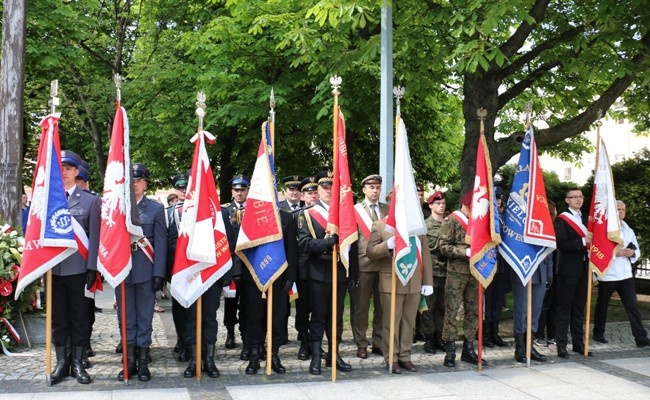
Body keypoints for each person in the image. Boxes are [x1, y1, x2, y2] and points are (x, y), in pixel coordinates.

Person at [297, 170, 359, 375]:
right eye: (324, 187)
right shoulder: (308, 213)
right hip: (318, 271)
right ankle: (316, 356)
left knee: (337, 317)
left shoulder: (345, 214)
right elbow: (304, 243)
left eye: (331, 187)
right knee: (319, 316)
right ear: (318, 189)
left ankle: (334, 354)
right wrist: (324, 243)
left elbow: (353, 246)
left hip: (340, 271)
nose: (327, 191)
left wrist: (354, 273)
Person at [49, 150, 101, 385]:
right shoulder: (47, 199)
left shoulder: (90, 201)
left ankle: (78, 363)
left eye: (68, 168)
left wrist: (92, 268)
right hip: (54, 270)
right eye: (60, 168)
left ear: (77, 172)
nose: (64, 172)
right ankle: (61, 363)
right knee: (58, 319)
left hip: (80, 270)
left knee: (80, 318)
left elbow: (96, 238)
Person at [115, 163, 167, 381]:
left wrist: (159, 274)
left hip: (145, 270)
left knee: (145, 318)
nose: (135, 185)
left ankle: (144, 362)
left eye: (139, 180)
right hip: (122, 270)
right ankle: (129, 362)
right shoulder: (118, 208)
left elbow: (161, 243)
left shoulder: (155, 209)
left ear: (145, 183)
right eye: (132, 181)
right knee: (126, 319)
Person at [366, 214, 433, 373]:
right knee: (391, 322)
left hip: (414, 281)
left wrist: (427, 281)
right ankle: (391, 358)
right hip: (392, 281)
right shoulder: (381, 225)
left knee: (408, 322)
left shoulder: (416, 225)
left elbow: (425, 253)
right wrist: (387, 245)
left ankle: (405, 356)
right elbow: (370, 252)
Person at [240, 208, 298, 374]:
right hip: (254, 276)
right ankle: (253, 354)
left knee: (278, 317)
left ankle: (273, 353)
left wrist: (290, 276)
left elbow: (292, 248)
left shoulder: (286, 217)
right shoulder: (250, 214)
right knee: (253, 316)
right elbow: (243, 247)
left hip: (279, 276)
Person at [593, 200, 650, 347]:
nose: (621, 212)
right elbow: (598, 250)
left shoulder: (628, 229)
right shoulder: (605, 229)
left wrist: (632, 253)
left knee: (632, 306)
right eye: (618, 209)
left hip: (625, 275)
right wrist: (615, 254)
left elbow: (637, 250)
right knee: (602, 305)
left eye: (623, 209)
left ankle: (641, 337)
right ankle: (598, 332)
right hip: (608, 273)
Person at [439, 191, 486, 367]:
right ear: (464, 205)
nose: (473, 211)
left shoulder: (479, 221)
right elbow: (443, 247)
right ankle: (450, 351)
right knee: (451, 311)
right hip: (456, 273)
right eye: (470, 207)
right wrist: (464, 252)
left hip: (475, 271)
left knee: (473, 311)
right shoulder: (451, 220)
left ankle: (469, 348)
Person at [510, 200, 554, 363]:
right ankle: (520, 348)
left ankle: (530, 346)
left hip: (540, 272)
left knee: (535, 311)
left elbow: (549, 249)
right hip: (524, 271)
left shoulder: (542, 222)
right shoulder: (517, 222)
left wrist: (549, 272)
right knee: (521, 311)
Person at [351, 174, 387, 359]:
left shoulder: (387, 210)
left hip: (384, 265)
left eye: (377, 187)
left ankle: (379, 342)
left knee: (382, 307)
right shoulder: (354, 210)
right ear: (364, 189)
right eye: (371, 187)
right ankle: (361, 343)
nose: (375, 191)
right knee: (361, 306)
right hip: (363, 264)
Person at [554, 188, 591, 358]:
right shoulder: (562, 219)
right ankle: (561, 345)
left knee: (579, 309)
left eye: (580, 197)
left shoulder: (587, 219)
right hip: (568, 270)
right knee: (564, 309)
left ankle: (578, 343)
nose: (578, 199)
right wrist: (583, 241)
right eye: (574, 197)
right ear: (567, 200)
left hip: (585, 269)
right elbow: (562, 245)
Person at [222, 175, 250, 357]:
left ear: (247, 191)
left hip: (249, 266)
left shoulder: (255, 210)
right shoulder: (224, 211)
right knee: (230, 303)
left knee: (248, 304)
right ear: (232, 191)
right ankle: (230, 333)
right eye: (236, 190)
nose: (239, 193)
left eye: (242, 190)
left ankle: (247, 335)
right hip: (231, 266)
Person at [166, 172, 191, 362]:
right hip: (175, 269)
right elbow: (164, 244)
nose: (183, 190)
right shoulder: (168, 213)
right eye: (180, 188)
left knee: (193, 308)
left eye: (186, 187)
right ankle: (182, 341)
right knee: (178, 309)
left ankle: (193, 341)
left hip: (195, 269)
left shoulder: (198, 211)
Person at [294, 176, 319, 360]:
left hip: (320, 267)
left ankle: (316, 343)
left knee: (319, 308)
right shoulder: (297, 216)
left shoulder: (326, 215)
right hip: (302, 268)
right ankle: (304, 342)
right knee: (302, 310)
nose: (313, 196)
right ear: (302, 196)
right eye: (309, 194)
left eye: (315, 193)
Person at [421, 191, 448, 354]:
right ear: (430, 205)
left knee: (442, 306)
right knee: (428, 307)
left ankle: (440, 337)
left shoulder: (449, 223)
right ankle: (429, 338)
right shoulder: (424, 225)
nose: (441, 206)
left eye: (443, 203)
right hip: (430, 270)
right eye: (438, 204)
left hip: (446, 269)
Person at [483, 186, 509, 348]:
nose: (498, 201)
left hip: (502, 265)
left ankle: (494, 332)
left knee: (498, 301)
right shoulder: (487, 219)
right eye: (495, 198)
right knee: (487, 301)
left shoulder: (504, 218)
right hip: (488, 264)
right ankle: (485, 333)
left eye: (499, 199)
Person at [536, 201, 558, 346]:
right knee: (542, 305)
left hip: (557, 270)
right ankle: (539, 335)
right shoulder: (541, 228)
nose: (551, 215)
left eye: (552, 213)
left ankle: (552, 335)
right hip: (544, 271)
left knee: (553, 305)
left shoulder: (556, 227)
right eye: (549, 213)